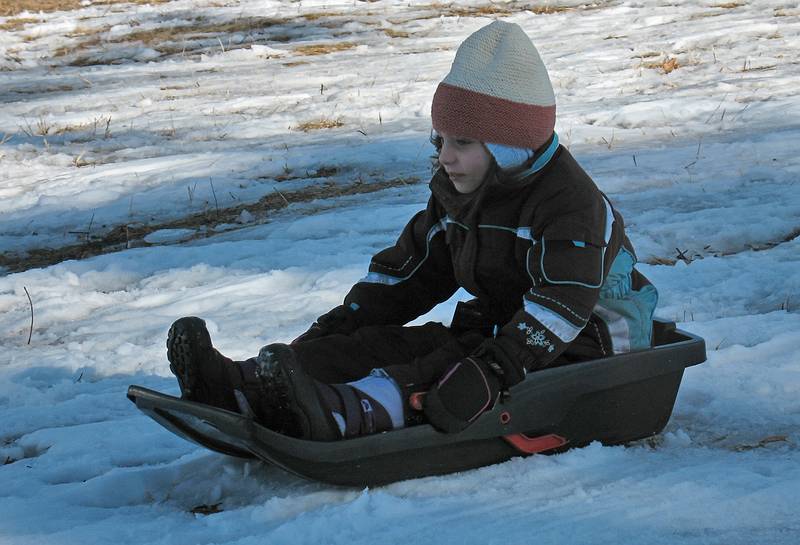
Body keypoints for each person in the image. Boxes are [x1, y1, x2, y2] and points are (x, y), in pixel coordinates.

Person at [166, 20, 658, 441]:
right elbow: (409, 276)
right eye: (439, 139)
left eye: (463, 142)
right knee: (386, 344)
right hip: (504, 328)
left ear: (509, 146)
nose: (445, 156)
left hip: (586, 347)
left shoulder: (570, 202)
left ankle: (342, 412)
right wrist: (330, 334)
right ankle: (243, 386)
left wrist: (492, 369)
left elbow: (562, 303)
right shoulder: (461, 193)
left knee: (438, 368)